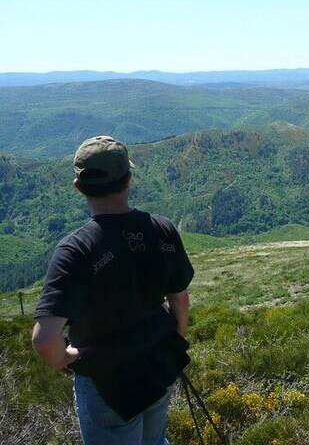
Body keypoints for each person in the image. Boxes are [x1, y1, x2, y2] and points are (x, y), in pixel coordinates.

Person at [31, 136, 194, 445]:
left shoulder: (76, 250)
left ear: (78, 186)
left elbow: (45, 339)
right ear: (128, 179)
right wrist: (176, 341)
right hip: (158, 364)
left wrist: (64, 359)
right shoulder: (161, 228)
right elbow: (180, 301)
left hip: (108, 383)